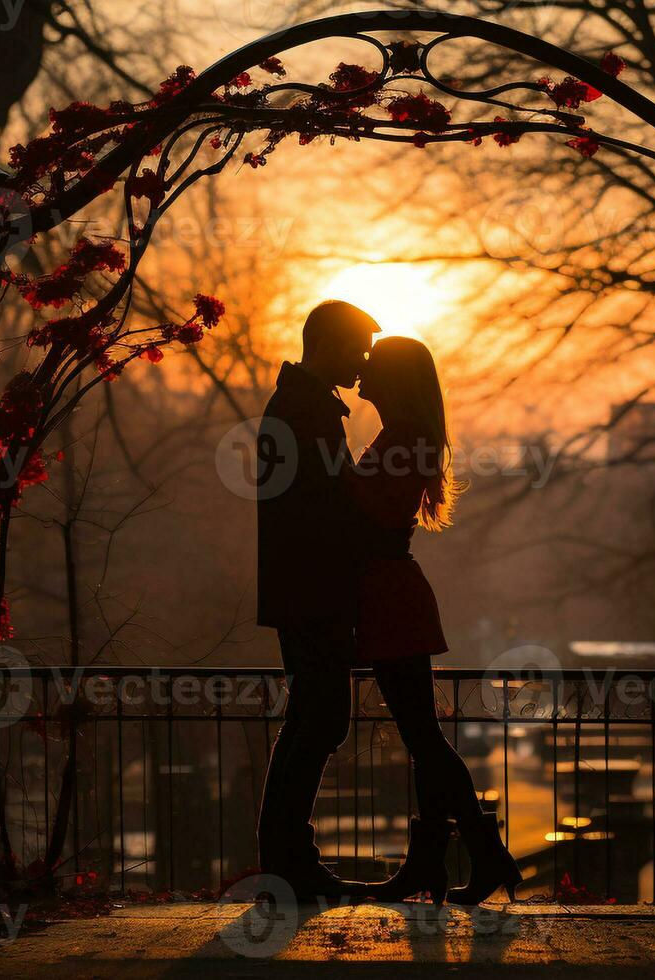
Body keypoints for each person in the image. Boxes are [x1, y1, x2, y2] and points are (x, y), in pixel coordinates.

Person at [348, 336, 522, 906]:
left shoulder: (402, 439)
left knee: (422, 736)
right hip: (393, 595)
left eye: (374, 365)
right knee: (423, 736)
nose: (361, 372)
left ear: (394, 378)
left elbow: (369, 512)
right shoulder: (404, 436)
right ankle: (437, 860)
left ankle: (479, 851)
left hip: (390, 598)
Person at [254, 300, 378, 899]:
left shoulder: (294, 406)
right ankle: (289, 857)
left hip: (299, 589)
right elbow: (331, 508)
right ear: (326, 343)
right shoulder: (311, 413)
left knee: (311, 715)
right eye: (356, 347)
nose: (362, 360)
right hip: (315, 592)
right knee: (321, 716)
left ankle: (285, 856)